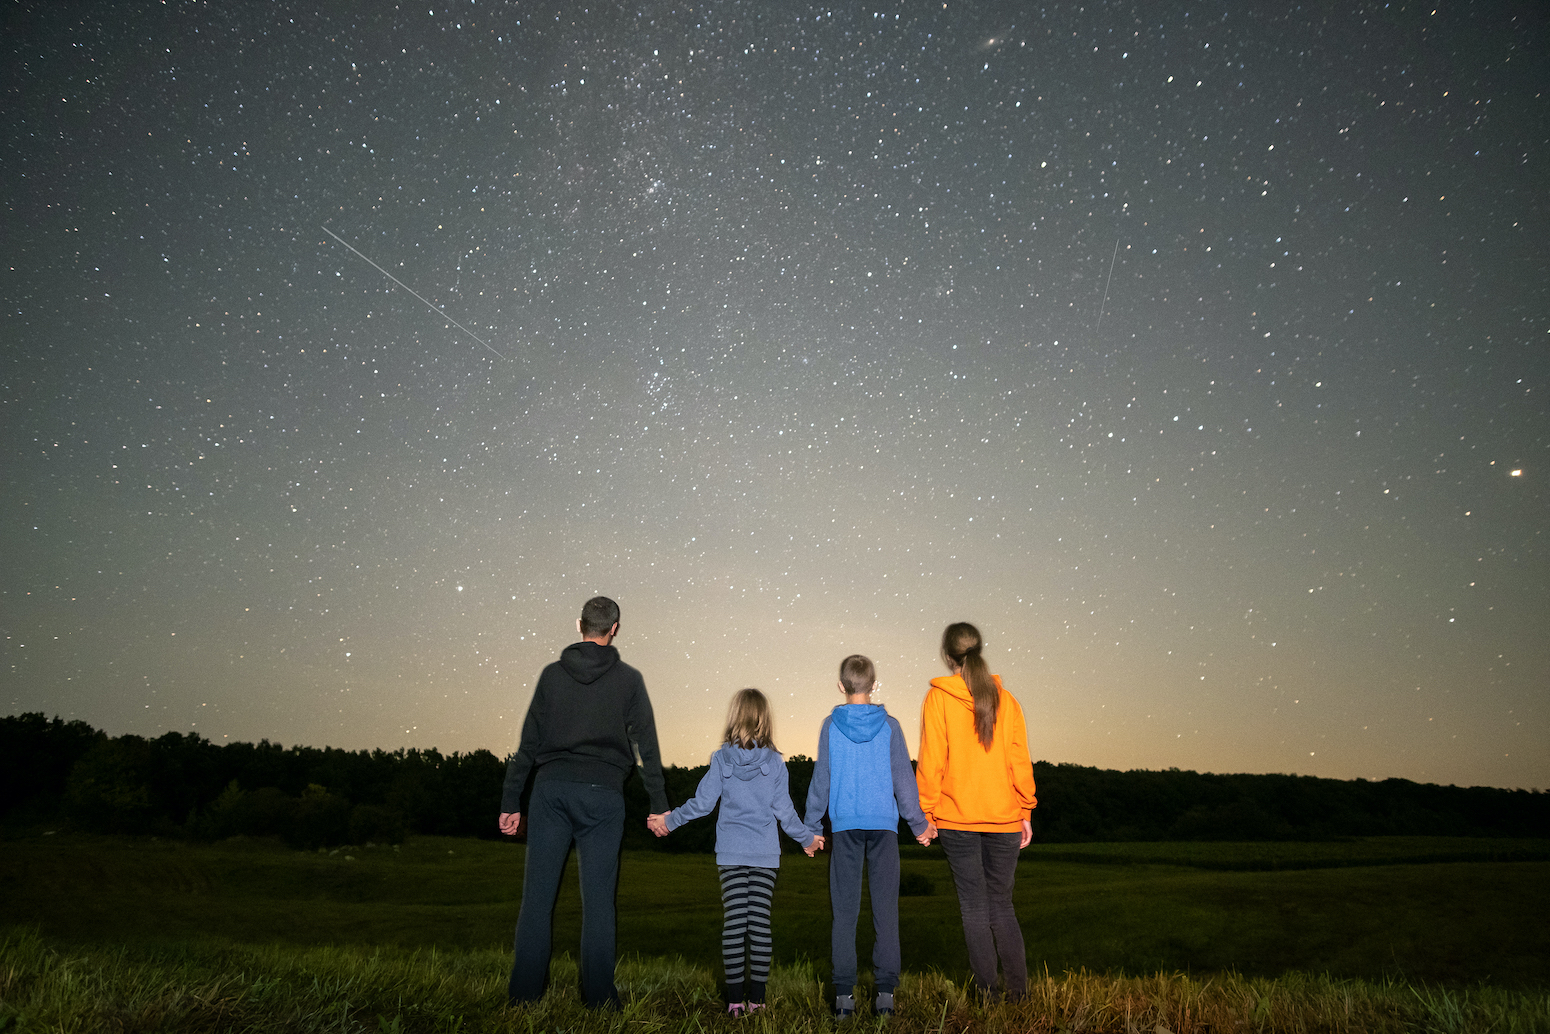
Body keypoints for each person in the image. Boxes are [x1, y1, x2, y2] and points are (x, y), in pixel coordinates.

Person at [498, 596, 670, 1010]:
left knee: (537, 898)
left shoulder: (552, 676)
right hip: (604, 797)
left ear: (580, 625)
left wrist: (510, 800)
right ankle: (599, 1000)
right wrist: (659, 803)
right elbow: (645, 746)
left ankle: (523, 997)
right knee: (599, 902)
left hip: (550, 791)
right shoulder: (630, 680)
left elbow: (528, 742)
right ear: (615, 628)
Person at [647, 688, 819, 1017]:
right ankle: (758, 1000)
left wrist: (670, 821)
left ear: (734, 717)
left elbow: (702, 804)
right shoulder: (775, 764)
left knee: (735, 923)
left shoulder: (721, 759)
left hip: (730, 854)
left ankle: (735, 1001)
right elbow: (784, 811)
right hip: (765, 857)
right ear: (765, 720)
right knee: (760, 924)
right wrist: (806, 838)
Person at [803, 655, 931, 1019]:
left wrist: (812, 827)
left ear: (841, 686)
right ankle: (885, 997)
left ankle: (844, 1000)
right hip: (884, 829)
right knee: (885, 911)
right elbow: (904, 780)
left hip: (844, 828)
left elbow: (821, 779)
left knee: (844, 913)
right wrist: (919, 824)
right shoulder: (890, 726)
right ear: (874, 685)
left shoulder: (830, 726)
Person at [915, 622, 1038, 1001]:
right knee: (1002, 904)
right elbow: (1020, 761)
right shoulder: (1008, 700)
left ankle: (987, 996)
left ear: (948, 656)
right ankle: (1019, 994)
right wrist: (1025, 809)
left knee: (973, 908)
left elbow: (931, 761)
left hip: (957, 819)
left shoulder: (938, 699)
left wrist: (927, 812)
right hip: (1003, 818)